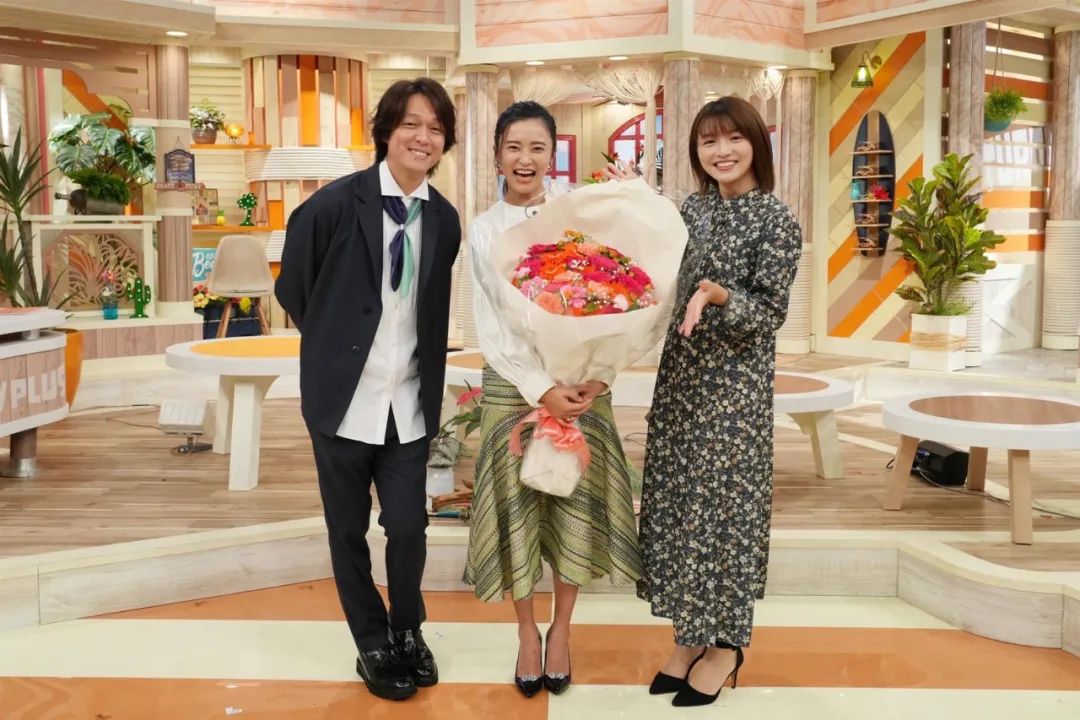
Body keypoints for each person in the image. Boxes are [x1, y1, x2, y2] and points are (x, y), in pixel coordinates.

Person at [274, 77, 460, 702]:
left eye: (435, 128)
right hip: (342, 402)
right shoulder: (331, 206)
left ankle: (407, 629)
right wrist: (336, 347)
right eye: (411, 124)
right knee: (347, 530)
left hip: (407, 401)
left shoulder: (444, 219)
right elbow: (294, 289)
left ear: (445, 143)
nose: (422, 137)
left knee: (407, 527)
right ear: (385, 131)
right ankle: (372, 642)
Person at [462, 100, 643, 698]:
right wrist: (539, 388)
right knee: (515, 511)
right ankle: (525, 632)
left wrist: (600, 375)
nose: (525, 159)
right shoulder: (484, 229)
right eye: (513, 147)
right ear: (496, 155)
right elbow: (491, 323)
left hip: (582, 382)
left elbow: (619, 291)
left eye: (537, 147)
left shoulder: (580, 214)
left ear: (552, 155)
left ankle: (562, 630)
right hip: (512, 385)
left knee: (573, 507)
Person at [636, 96, 802, 708]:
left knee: (725, 514)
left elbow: (770, 312)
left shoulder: (776, 220)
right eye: (709, 141)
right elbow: (663, 274)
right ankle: (689, 638)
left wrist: (722, 297)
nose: (722, 151)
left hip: (734, 393)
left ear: (756, 143)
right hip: (682, 383)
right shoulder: (694, 209)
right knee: (681, 507)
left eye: (733, 138)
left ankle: (726, 648)